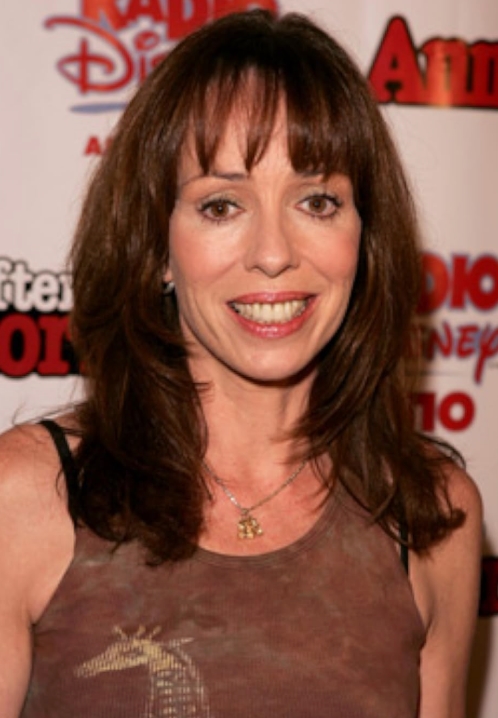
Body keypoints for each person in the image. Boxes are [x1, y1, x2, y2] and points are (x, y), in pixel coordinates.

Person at [0, 9, 482, 718]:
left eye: (317, 201)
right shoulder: (24, 500)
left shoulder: (432, 515)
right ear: (157, 248)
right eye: (222, 205)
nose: (274, 253)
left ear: (364, 238)